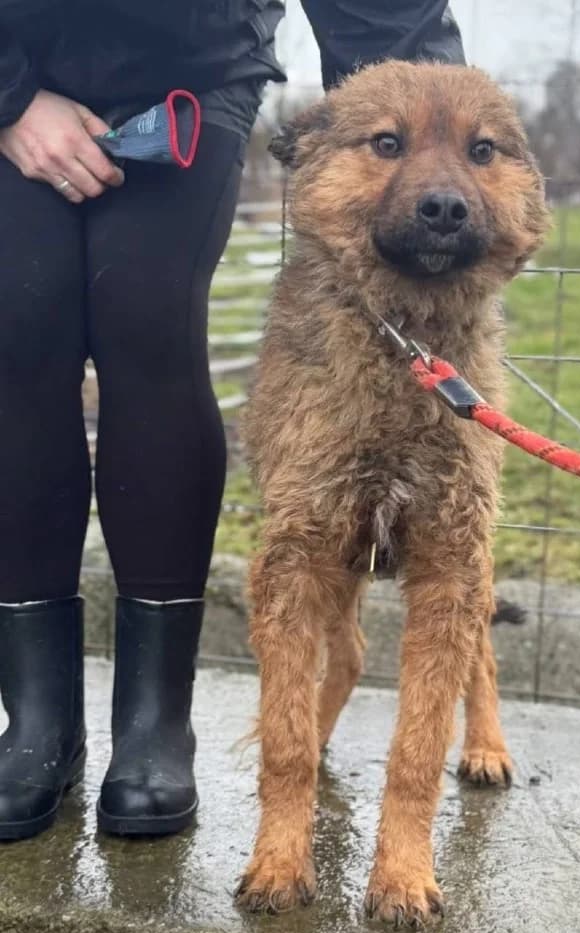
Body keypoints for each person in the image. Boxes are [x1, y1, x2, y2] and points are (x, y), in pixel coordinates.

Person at [0, 1, 464, 841]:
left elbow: (388, 22)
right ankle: (37, 724)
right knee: (20, 333)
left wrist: (441, 147)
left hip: (194, 66)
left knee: (146, 318)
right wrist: (10, 99)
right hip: (14, 59)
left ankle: (153, 724)